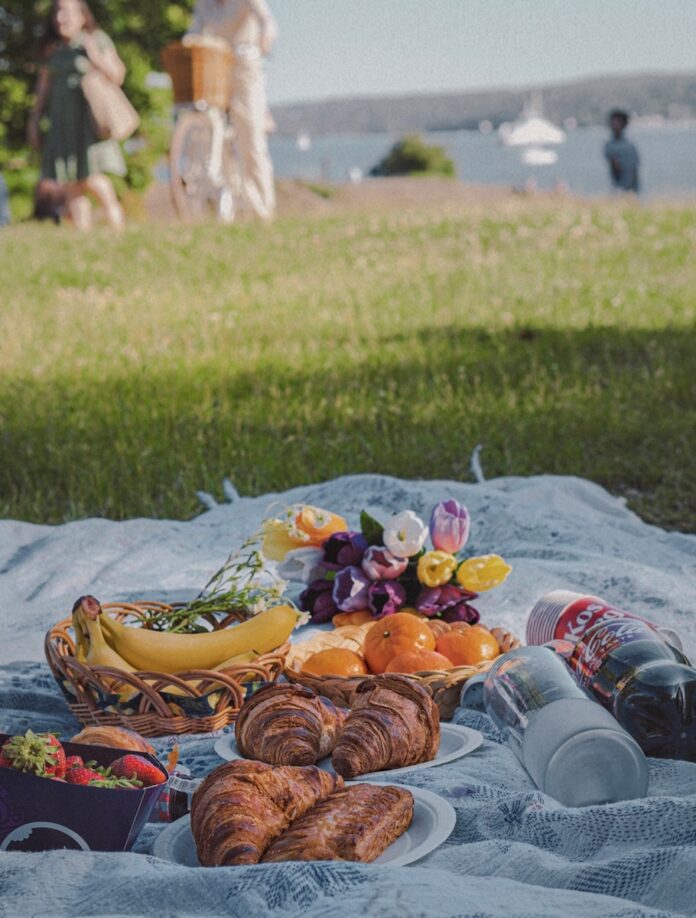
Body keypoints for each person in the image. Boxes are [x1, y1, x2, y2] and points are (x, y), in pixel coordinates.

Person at [28, 0, 127, 230]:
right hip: (61, 120)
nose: (60, 18)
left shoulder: (96, 39)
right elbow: (43, 88)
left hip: (87, 121)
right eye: (57, 13)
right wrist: (34, 119)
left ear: (82, 16)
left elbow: (118, 75)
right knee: (70, 182)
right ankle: (83, 236)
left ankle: (117, 227)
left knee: (92, 178)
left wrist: (95, 57)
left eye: (67, 13)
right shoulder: (53, 48)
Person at [186, 0, 278, 221]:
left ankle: (263, 209)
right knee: (210, 133)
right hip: (215, 67)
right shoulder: (205, 4)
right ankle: (223, 200)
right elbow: (193, 32)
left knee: (250, 137)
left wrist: (265, 39)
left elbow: (267, 21)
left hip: (245, 66)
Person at [604, 109, 640, 194]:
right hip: (619, 188)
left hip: (628, 188)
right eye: (613, 122)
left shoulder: (629, 146)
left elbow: (633, 170)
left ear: (623, 124)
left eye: (618, 122)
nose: (615, 124)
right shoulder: (609, 146)